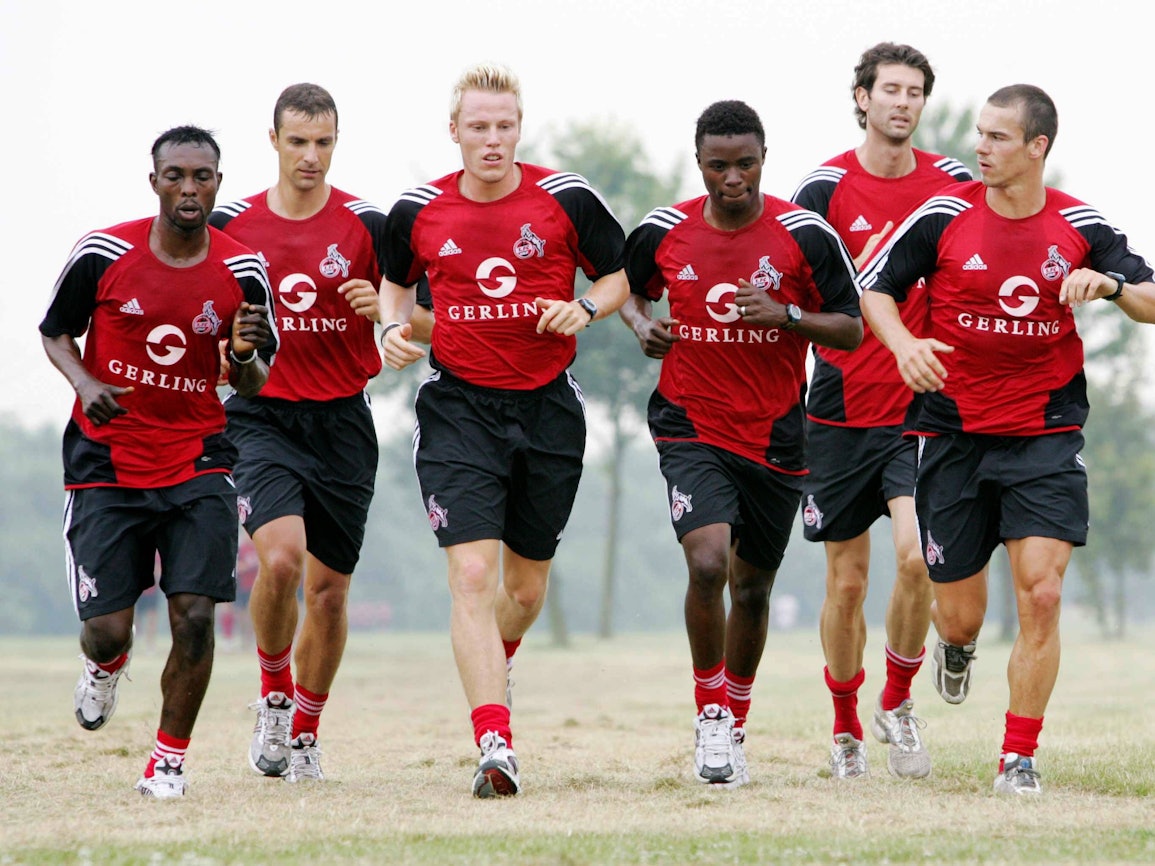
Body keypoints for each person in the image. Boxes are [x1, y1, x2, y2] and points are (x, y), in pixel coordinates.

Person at [859, 83, 1155, 795]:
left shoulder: (1080, 226)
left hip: (1044, 435)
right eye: (978, 133)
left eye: (995, 137)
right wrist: (902, 345)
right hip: (953, 435)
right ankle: (953, 649)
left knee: (1042, 594)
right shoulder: (943, 216)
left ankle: (1016, 757)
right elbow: (874, 288)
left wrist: (1110, 286)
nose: (978, 147)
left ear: (1036, 148)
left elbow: (1151, 300)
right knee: (959, 614)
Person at [379, 62, 628, 798]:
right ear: (452, 132)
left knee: (522, 587)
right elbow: (395, 285)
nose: (492, 140)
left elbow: (621, 276)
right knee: (472, 574)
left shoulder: (565, 198)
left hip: (548, 407)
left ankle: (501, 656)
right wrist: (390, 330)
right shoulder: (417, 211)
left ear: (520, 129)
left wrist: (584, 309)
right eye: (478, 127)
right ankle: (495, 741)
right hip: (457, 408)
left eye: (504, 126)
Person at [620, 100, 862, 786]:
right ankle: (709, 719)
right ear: (697, 163)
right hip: (689, 423)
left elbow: (850, 329)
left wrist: (787, 316)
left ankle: (739, 717)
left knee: (751, 589)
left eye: (744, 163)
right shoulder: (662, 231)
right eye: (717, 166)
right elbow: (626, 292)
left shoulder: (803, 234)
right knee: (706, 565)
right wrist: (641, 326)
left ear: (763, 158)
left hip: (777, 436)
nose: (732, 178)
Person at [39, 125, 275, 798]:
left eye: (201, 176)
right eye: (175, 176)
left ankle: (168, 764)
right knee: (105, 628)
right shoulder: (104, 251)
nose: (188, 188)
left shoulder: (243, 270)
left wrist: (246, 355)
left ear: (217, 185)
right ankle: (105, 665)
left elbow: (253, 380)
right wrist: (86, 385)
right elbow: (55, 331)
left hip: (198, 457)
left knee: (195, 615)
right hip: (107, 461)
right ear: (155, 183)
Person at [790, 42, 973, 780]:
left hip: (919, 406)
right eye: (888, 89)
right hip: (836, 407)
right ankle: (842, 728)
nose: (901, 102)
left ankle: (896, 705)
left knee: (914, 558)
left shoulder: (954, 184)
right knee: (845, 584)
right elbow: (793, 292)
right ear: (861, 97)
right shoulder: (823, 189)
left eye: (914, 91)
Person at [209, 83, 391, 783]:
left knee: (329, 593)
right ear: (274, 141)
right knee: (279, 562)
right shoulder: (231, 225)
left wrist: (385, 311)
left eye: (322, 143)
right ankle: (274, 698)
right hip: (261, 418)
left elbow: (415, 313)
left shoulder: (370, 226)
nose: (310, 156)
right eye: (297, 142)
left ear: (335, 143)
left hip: (344, 421)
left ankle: (307, 735)